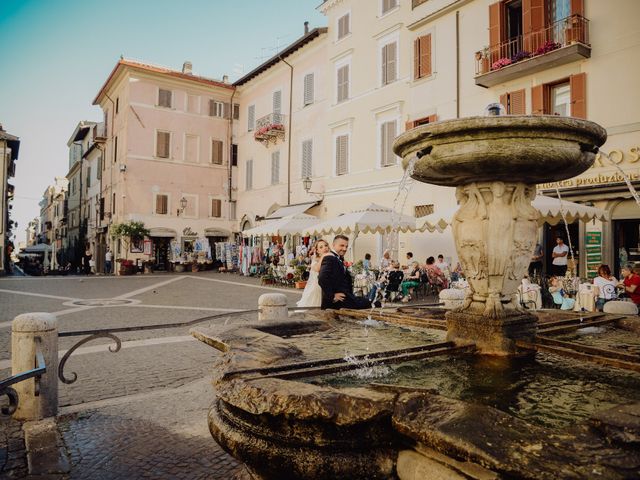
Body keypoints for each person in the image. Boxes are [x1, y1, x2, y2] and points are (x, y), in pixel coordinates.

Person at [319, 235, 377, 310]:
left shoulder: (338, 258)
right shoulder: (329, 258)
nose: (344, 249)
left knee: (368, 301)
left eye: (346, 246)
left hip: (345, 299)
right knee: (371, 303)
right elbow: (322, 278)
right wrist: (332, 296)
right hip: (336, 303)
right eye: (342, 245)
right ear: (333, 245)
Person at [297, 240, 330, 308]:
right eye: (321, 247)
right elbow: (317, 269)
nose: (325, 248)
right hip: (317, 286)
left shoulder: (331, 257)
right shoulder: (315, 259)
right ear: (317, 251)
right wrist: (323, 256)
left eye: (326, 245)